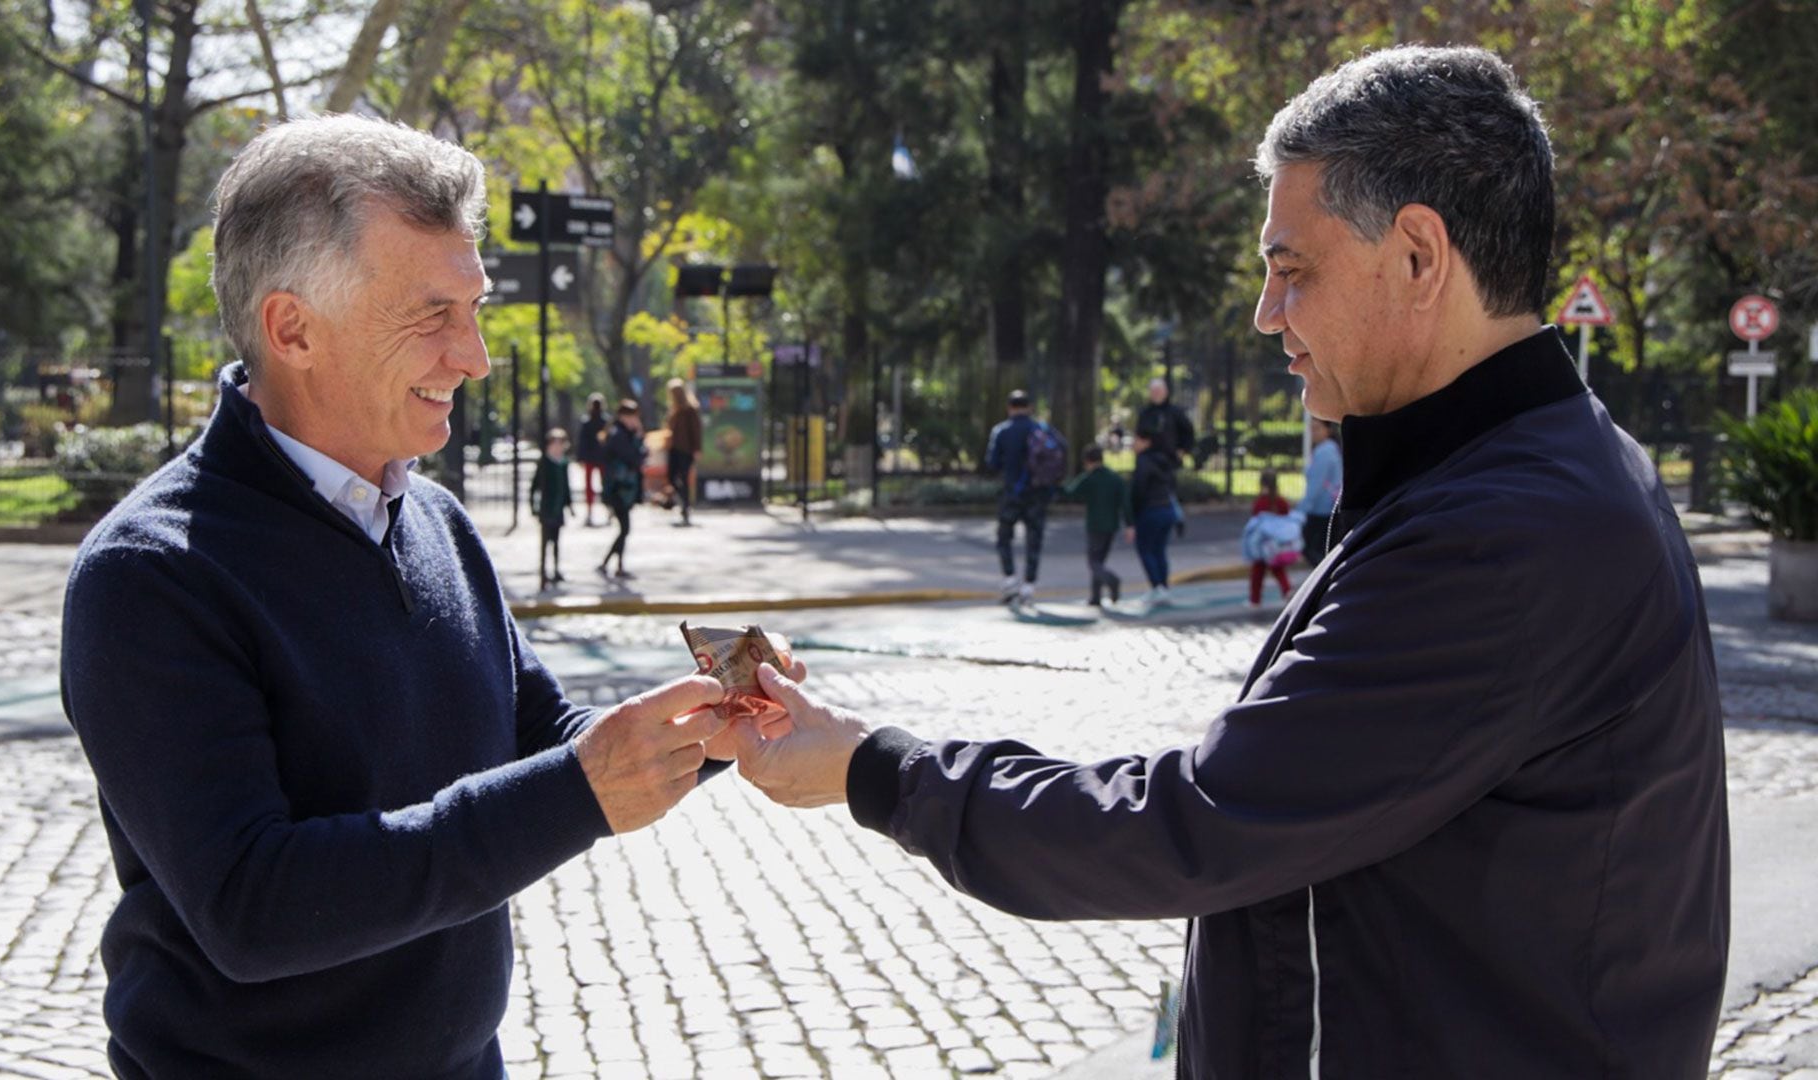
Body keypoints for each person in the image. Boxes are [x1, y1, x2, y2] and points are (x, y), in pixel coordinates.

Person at [714, 46, 1727, 1078]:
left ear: (1420, 257)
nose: (1266, 314)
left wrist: (875, 769)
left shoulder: (1505, 533)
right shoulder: (1536, 467)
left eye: (1294, 270)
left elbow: (1200, 823)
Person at [60, 115, 733, 1079]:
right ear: (292, 327)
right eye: (432, 316)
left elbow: (542, 732)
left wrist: (712, 724)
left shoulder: (436, 521)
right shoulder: (150, 574)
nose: (476, 356)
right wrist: (584, 791)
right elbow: (253, 907)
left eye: (476, 309)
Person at [984, 389, 1063, 606]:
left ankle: (1010, 579)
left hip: (1012, 492)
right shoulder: (1041, 429)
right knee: (1034, 539)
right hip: (1037, 494)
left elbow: (991, 463)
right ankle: (1029, 586)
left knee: (1004, 537)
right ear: (1029, 408)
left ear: (1009, 408)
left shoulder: (1001, 431)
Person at [1059, 444, 1131, 607]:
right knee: (1100, 560)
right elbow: (1125, 503)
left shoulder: (1089, 478)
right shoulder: (1114, 478)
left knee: (1093, 562)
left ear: (1087, 461)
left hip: (1095, 524)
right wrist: (1129, 524)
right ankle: (1096, 596)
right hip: (1111, 525)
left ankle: (1111, 580)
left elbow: (1070, 493)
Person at [1128, 433, 1183, 605]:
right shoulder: (1163, 460)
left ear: (1146, 442)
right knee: (1159, 549)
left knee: (1146, 549)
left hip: (1150, 510)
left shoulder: (1143, 461)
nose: (1133, 444)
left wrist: (1132, 515)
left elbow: (1139, 488)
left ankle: (1157, 587)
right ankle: (1163, 587)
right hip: (1167, 509)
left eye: (1136, 440)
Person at [599, 399, 645, 580]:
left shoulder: (623, 433)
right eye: (632, 417)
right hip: (618, 489)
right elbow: (633, 458)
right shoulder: (619, 435)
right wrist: (639, 440)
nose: (635, 421)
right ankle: (611, 564)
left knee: (624, 529)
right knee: (625, 528)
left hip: (624, 488)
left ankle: (613, 564)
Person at [1243, 469, 1298, 606]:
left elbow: (1255, 521)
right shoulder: (1282, 502)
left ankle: (1254, 600)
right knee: (1278, 569)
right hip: (1277, 545)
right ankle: (1286, 590)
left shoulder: (1260, 502)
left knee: (1258, 571)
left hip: (1263, 544)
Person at [530, 427, 574, 588]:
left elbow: (566, 486)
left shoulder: (563, 462)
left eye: (560, 443)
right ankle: (543, 573)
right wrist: (534, 506)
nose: (557, 447)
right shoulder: (544, 462)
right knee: (545, 542)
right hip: (546, 508)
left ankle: (556, 570)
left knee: (556, 541)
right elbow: (534, 486)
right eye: (554, 443)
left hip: (559, 508)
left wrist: (570, 505)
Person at [1301, 416, 1341, 563]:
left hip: (1321, 510)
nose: (1313, 432)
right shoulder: (1330, 449)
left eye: (1317, 428)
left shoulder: (1325, 452)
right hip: (1327, 508)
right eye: (1311, 429)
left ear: (1328, 430)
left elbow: (1316, 485)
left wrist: (1302, 510)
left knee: (1310, 549)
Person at [1134, 376, 1195, 469]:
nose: (1156, 394)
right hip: (1147, 460)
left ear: (1165, 392)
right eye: (1153, 391)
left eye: (1158, 391)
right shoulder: (1145, 413)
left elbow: (1189, 433)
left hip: (1170, 461)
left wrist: (1183, 451)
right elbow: (1139, 437)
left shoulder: (1176, 412)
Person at [665, 377, 702, 526]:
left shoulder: (690, 409)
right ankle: (682, 501)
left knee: (685, 478)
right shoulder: (673, 410)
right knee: (672, 477)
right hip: (673, 449)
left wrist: (697, 449)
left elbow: (696, 430)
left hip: (686, 449)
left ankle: (686, 506)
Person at [576, 393, 608, 525]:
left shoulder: (595, 422)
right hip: (599, 457)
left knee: (595, 485)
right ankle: (605, 509)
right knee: (601, 485)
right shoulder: (602, 421)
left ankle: (594, 510)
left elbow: (582, 442)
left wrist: (581, 458)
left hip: (595, 457)